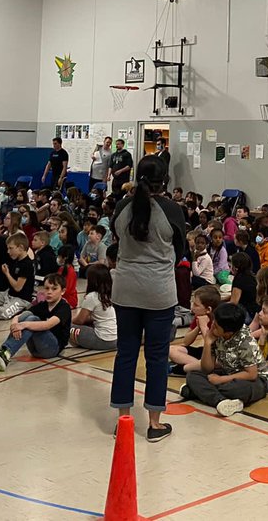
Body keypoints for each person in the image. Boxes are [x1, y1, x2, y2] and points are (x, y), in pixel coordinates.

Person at [109, 154, 185, 442]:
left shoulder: (123, 206)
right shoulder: (171, 209)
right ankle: (154, 424)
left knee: (125, 355)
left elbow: (116, 241)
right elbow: (181, 251)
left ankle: (124, 420)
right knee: (155, 357)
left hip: (125, 288)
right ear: (164, 180)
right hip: (159, 291)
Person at [181, 302, 267, 417]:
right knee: (192, 375)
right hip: (228, 372)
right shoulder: (216, 335)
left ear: (228, 332)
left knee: (235, 389)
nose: (212, 327)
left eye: (216, 326)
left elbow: (252, 374)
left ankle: (201, 392)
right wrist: (207, 343)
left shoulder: (245, 341)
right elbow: (207, 368)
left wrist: (221, 379)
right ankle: (221, 401)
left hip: (253, 380)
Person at [0, 274, 72, 369]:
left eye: (54, 289)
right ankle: (4, 350)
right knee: (27, 315)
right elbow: (17, 317)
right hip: (35, 349)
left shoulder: (64, 307)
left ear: (63, 291)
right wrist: (15, 326)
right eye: (47, 288)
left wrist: (23, 325)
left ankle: (7, 352)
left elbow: (48, 325)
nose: (49, 292)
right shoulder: (42, 305)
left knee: (32, 320)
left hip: (52, 349)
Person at [170, 285, 221, 374]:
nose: (192, 307)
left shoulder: (219, 320)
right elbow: (186, 342)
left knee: (218, 362)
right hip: (206, 353)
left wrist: (204, 327)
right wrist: (198, 327)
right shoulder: (199, 316)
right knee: (171, 350)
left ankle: (200, 367)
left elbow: (213, 346)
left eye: (196, 305)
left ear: (208, 309)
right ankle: (201, 366)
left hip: (219, 354)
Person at [70, 262, 117, 351]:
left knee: (67, 326)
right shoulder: (111, 294)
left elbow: (80, 320)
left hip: (102, 340)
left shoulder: (92, 296)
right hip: (115, 339)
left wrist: (69, 320)